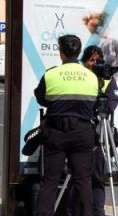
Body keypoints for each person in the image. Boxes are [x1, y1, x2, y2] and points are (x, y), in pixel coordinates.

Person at [34, 35, 98, 216]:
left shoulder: (51, 74)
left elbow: (41, 98)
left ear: (61, 52)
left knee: (49, 182)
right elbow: (94, 102)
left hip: (56, 132)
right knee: (83, 181)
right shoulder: (91, 76)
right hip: (82, 132)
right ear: (78, 52)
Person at [67, 45, 118, 216]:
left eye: (97, 60)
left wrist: (99, 108)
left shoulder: (107, 78)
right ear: (84, 61)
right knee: (77, 177)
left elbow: (111, 104)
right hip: (79, 132)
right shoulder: (79, 77)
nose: (94, 64)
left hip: (99, 135)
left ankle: (98, 212)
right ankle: (75, 211)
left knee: (98, 178)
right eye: (91, 60)